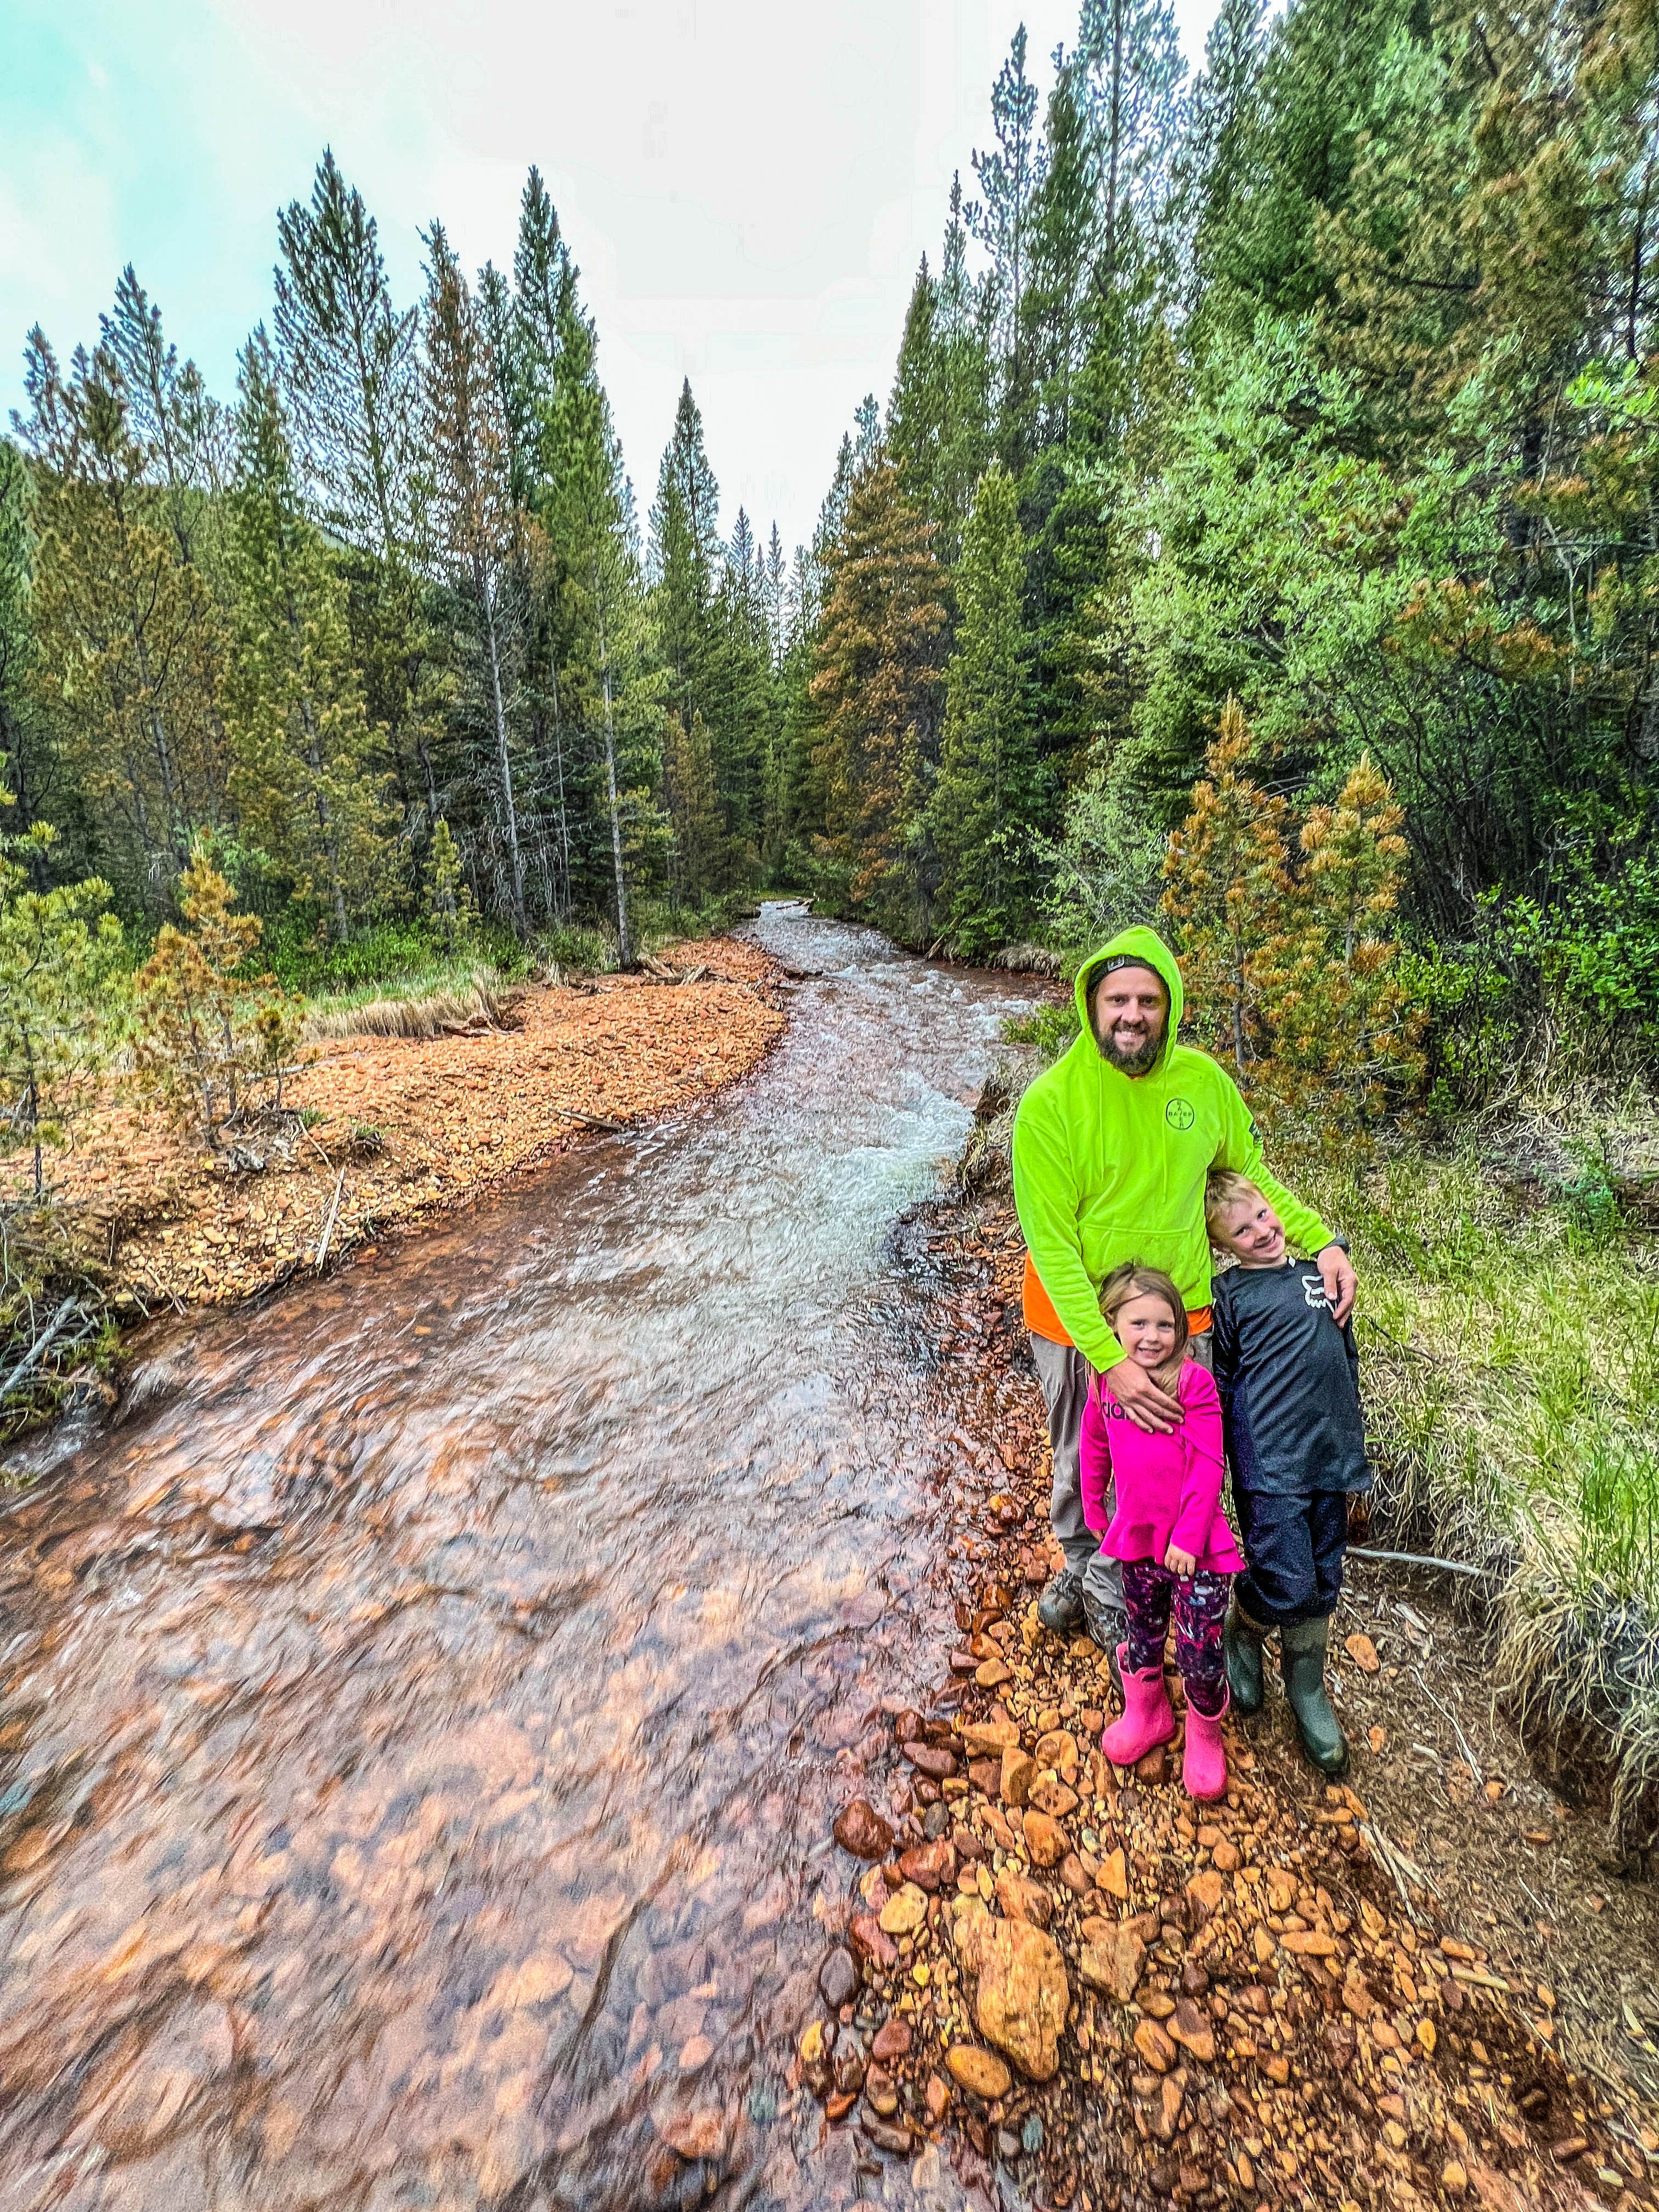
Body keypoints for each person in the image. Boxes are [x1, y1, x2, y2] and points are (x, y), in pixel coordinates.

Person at [1012, 925, 1356, 1663]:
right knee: (1086, 1460)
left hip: (1182, 1321)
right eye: (1116, 1000)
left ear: (1168, 1008)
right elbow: (1055, 1251)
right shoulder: (1050, 1105)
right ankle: (1095, 1582)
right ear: (1090, 1005)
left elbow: (1251, 1177)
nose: (1130, 1015)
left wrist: (1320, 1239)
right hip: (1078, 1329)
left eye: (1146, 1001)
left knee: (1177, 1461)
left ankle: (1159, 1573)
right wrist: (1112, 1361)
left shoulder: (1203, 1084)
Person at [1206, 1169, 1372, 1776]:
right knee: (1288, 1578)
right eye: (1240, 1229)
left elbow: (1344, 1359)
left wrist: (1353, 1447)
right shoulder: (1229, 1298)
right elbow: (1220, 1383)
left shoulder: (1317, 1275)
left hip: (1328, 1456)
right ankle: (1242, 1624)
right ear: (1221, 1245)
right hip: (1269, 1465)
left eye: (1263, 1215)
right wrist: (1219, 1460)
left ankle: (1307, 1687)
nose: (1261, 1231)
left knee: (1325, 1576)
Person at [1080, 1264, 1243, 1800]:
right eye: (1138, 1324)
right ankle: (1148, 1712)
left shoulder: (1193, 1384)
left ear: (1181, 1330)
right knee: (1142, 1630)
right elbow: (1095, 1447)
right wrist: (1096, 1510)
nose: (1152, 1337)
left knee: (1200, 1648)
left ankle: (1204, 1730)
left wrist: (1188, 1539)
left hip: (1196, 1551)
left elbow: (1208, 1464)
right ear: (1112, 1327)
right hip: (1139, 1540)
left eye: (1164, 1325)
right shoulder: (1106, 1383)